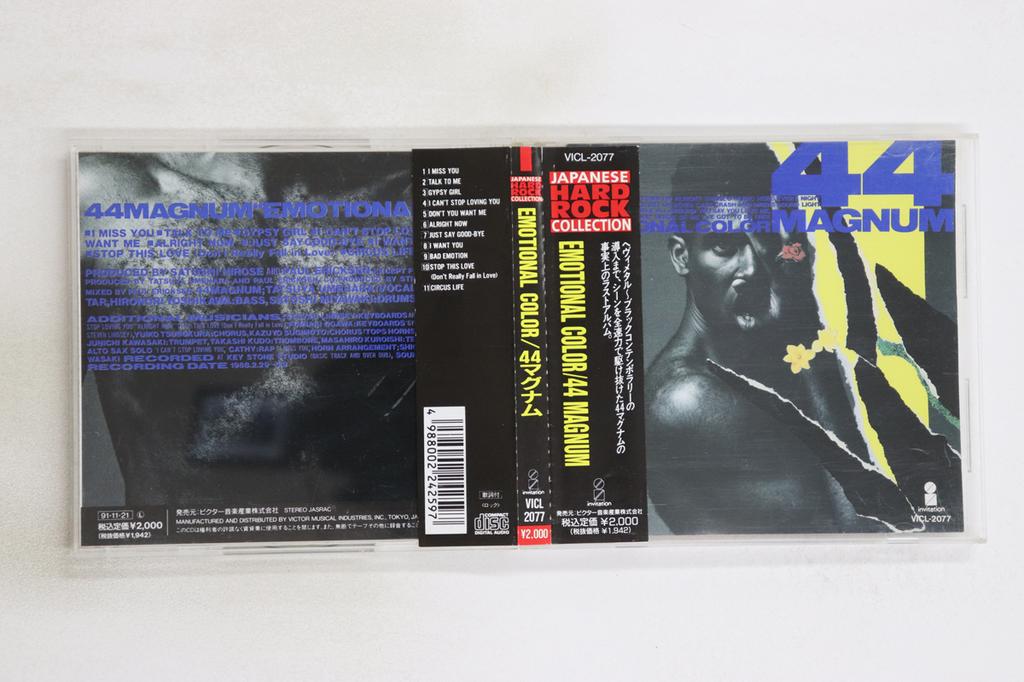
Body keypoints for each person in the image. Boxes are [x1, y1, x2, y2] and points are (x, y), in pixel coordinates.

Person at [645, 144, 875, 533]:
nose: (752, 268)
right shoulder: (687, 398)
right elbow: (864, 526)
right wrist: (803, 328)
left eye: (765, 240)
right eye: (724, 246)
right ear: (682, 256)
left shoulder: (759, 358)